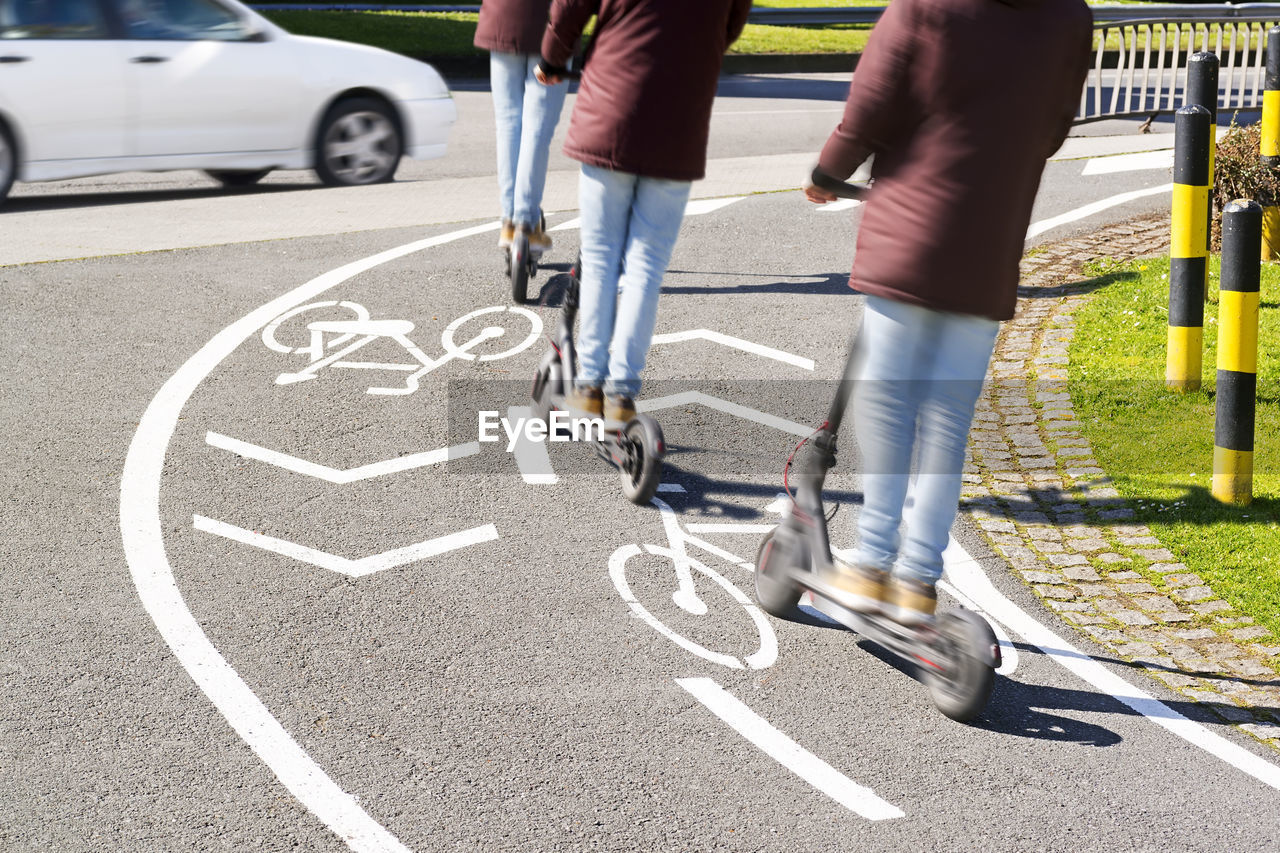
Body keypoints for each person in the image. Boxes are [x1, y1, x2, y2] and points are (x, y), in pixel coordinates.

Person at [807, 0, 1093, 626]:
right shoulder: (1071, 17)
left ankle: (874, 564)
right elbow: (1053, 129)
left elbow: (870, 107)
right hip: (991, 240)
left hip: (910, 234)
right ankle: (918, 580)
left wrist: (829, 173)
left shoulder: (926, 6)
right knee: (947, 420)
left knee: (886, 404)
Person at [536, 0, 752, 424]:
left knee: (600, 259)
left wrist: (552, 59)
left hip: (611, 111)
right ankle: (622, 394)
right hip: (679, 121)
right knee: (647, 267)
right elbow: (730, 25)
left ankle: (590, 386)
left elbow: (569, 9)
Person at [473, 0, 569, 253]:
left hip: (502, 17)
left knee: (508, 124)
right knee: (537, 127)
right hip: (551, 26)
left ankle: (509, 221)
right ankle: (526, 222)